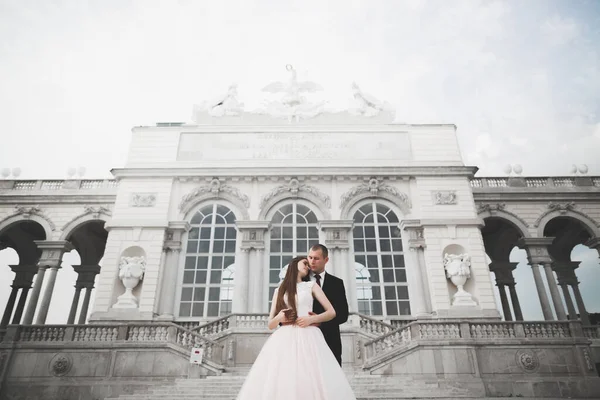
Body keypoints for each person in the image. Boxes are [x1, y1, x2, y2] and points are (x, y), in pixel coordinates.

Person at [236, 256, 356, 400]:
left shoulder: (311, 286)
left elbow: (331, 312)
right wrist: (280, 317)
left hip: (309, 335)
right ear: (294, 264)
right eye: (305, 263)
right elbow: (270, 324)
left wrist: (312, 319)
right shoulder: (279, 290)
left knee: (311, 376)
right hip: (284, 337)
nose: (308, 266)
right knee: (284, 377)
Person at [307, 243, 349, 366]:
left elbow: (343, 315)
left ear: (326, 260)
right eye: (310, 257)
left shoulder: (337, 283)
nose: (312, 261)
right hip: (307, 340)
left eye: (316, 258)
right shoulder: (300, 281)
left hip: (330, 340)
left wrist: (319, 320)